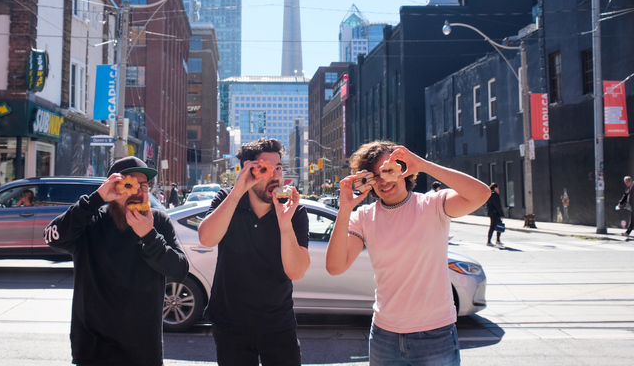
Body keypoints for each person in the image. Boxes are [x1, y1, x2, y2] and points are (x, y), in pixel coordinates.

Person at [325, 140, 490, 366]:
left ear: (403, 170)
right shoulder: (363, 217)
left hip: (436, 334)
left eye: (388, 170)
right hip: (385, 335)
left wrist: (422, 165)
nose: (383, 181)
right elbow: (335, 267)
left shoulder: (432, 205)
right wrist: (345, 209)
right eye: (375, 176)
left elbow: (481, 194)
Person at [44, 156, 189, 366]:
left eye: (145, 186)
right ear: (113, 188)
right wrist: (95, 199)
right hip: (93, 350)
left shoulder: (158, 222)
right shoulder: (90, 221)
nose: (139, 192)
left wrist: (149, 236)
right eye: (131, 185)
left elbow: (179, 270)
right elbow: (52, 237)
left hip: (143, 351)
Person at [198, 138, 310, 366]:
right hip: (230, 324)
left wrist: (284, 222)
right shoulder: (228, 199)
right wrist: (239, 190)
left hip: (278, 323)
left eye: (278, 167)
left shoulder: (294, 212)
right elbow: (207, 238)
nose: (276, 175)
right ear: (248, 171)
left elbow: (296, 271)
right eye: (265, 169)